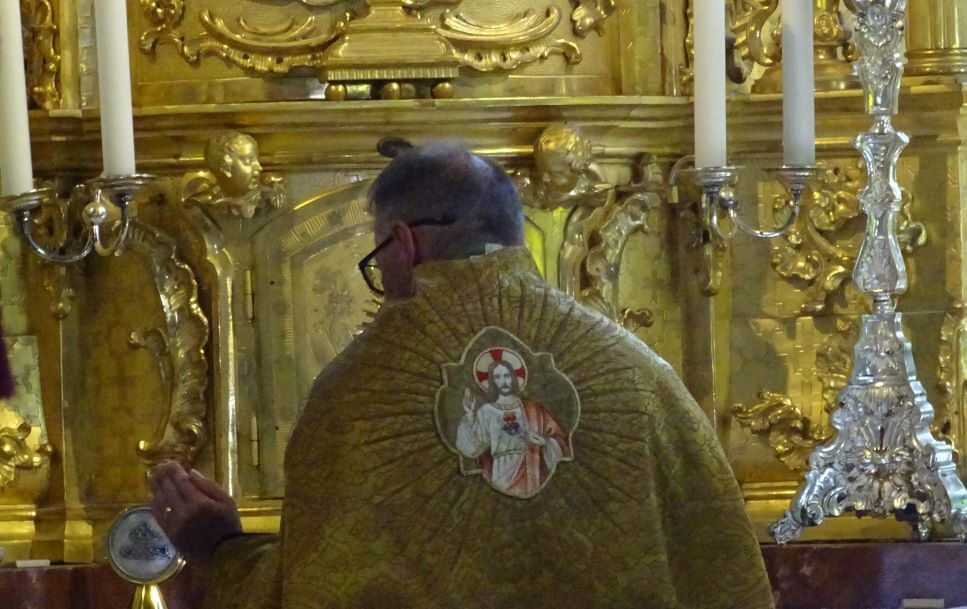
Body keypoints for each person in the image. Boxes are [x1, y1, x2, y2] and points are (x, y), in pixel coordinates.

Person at [150, 141, 774, 609]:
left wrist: (221, 550)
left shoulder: (357, 394)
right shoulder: (640, 375)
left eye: (379, 257)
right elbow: (722, 570)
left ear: (404, 243)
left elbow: (317, 590)